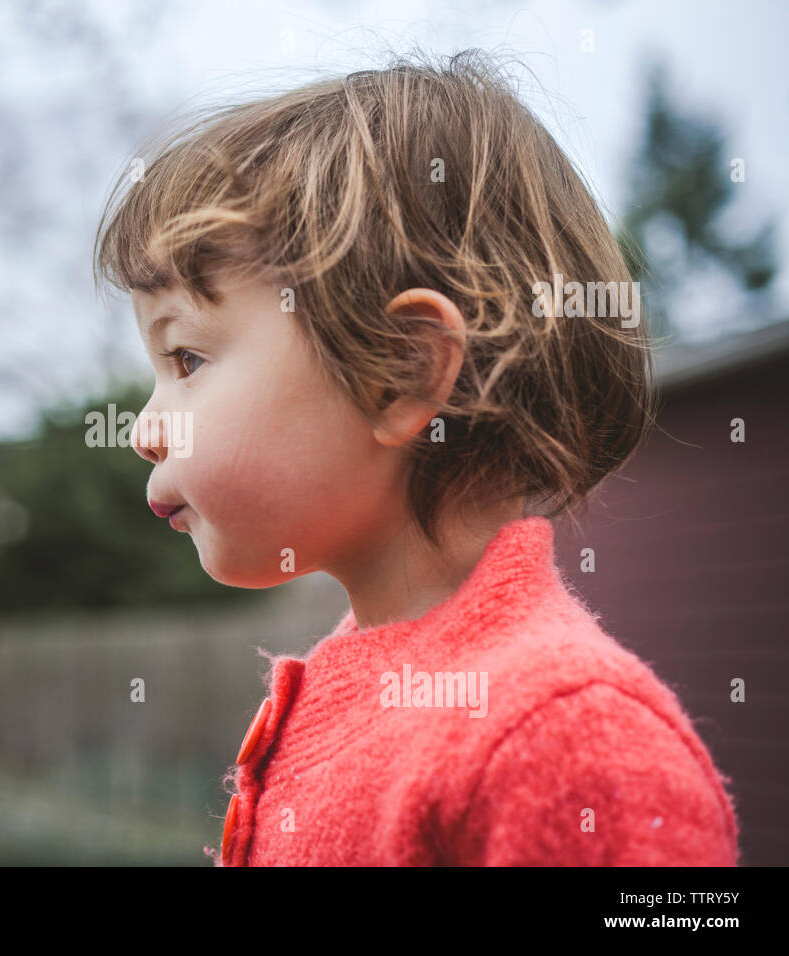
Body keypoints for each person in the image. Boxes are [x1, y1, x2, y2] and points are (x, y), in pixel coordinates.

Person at [92, 51, 739, 866]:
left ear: (399, 372)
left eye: (185, 359)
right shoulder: (366, 685)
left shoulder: (571, 742)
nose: (145, 430)